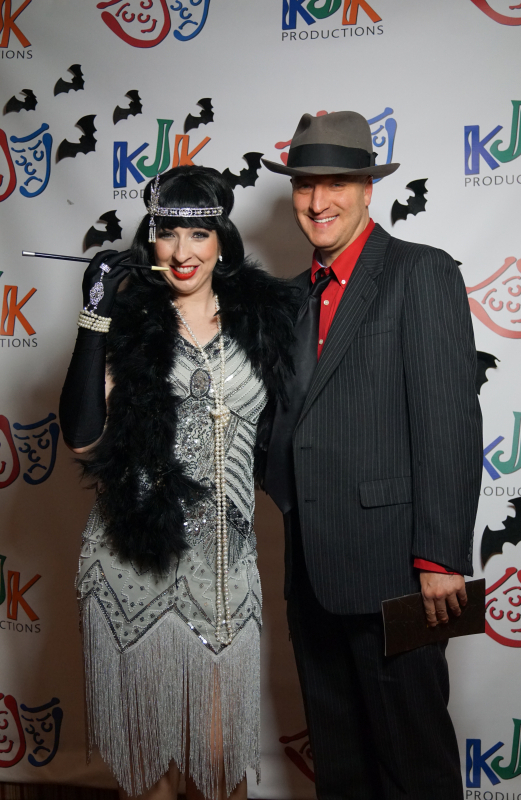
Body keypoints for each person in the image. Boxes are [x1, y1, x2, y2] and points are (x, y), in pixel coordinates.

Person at [261, 111, 483, 800]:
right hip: (312, 577)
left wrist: (439, 560)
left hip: (397, 572)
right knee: (341, 770)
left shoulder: (420, 271)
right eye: (305, 185)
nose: (317, 201)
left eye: (335, 183)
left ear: (366, 188)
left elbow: (449, 422)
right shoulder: (289, 299)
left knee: (414, 768)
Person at [58, 166, 296, 800]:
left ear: (221, 239)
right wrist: (94, 317)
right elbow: (81, 439)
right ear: (151, 241)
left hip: (223, 569)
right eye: (168, 233)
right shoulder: (130, 322)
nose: (183, 251)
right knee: (148, 774)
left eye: (198, 233)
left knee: (219, 764)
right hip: (132, 562)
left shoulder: (265, 320)